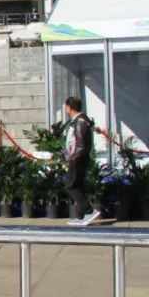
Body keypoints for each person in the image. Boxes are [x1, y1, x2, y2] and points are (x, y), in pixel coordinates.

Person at [64, 96, 100, 225]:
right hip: (78, 158)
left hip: (78, 159)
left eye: (66, 107)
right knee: (78, 186)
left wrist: (73, 159)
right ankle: (81, 216)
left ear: (69, 107)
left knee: (70, 186)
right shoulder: (79, 121)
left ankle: (89, 211)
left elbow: (80, 145)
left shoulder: (80, 122)